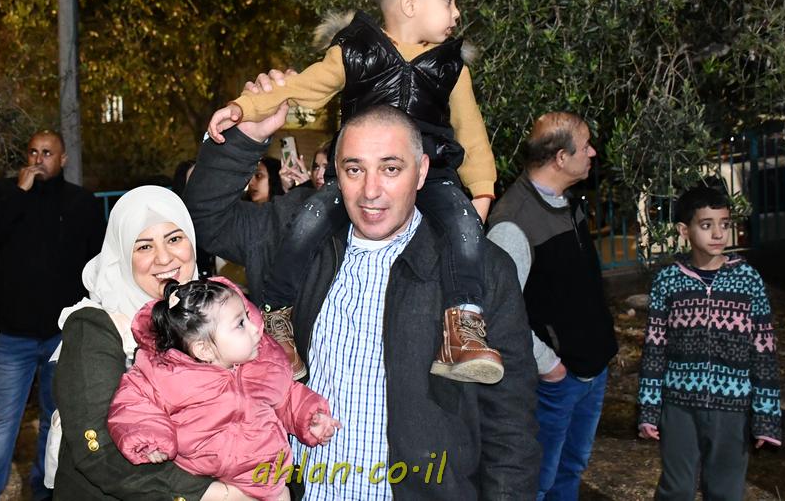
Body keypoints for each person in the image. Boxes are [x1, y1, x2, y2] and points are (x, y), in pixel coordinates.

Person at [186, 103, 540, 499]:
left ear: (422, 170)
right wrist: (244, 139)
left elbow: (510, 428)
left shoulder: (480, 270)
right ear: (337, 173)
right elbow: (207, 221)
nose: (371, 191)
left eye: (391, 169)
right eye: (355, 170)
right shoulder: (294, 239)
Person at [207, 0, 501, 385]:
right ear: (410, 3)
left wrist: (482, 190)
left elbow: (471, 133)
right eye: (449, 0)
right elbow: (301, 87)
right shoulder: (355, 53)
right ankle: (278, 318)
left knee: (464, 227)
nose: (457, 12)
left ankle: (463, 328)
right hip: (357, 175)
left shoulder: (451, 69)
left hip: (434, 173)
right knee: (308, 219)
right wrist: (243, 107)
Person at [47, 186, 256, 500]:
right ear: (122, 255)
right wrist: (211, 494)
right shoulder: (96, 326)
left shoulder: (215, 311)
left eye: (174, 239)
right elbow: (98, 450)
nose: (164, 257)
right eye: (144, 246)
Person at [109, 277, 340, 501]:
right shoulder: (166, 373)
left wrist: (309, 417)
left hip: (270, 481)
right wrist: (149, 438)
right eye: (240, 324)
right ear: (204, 350)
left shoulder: (261, 363)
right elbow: (133, 404)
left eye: (247, 315)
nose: (255, 328)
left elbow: (285, 397)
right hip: (213, 485)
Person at [487, 112, 619, 500]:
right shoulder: (512, 224)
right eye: (585, 146)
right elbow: (497, 312)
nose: (592, 153)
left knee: (571, 470)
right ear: (561, 158)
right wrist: (549, 366)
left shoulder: (567, 204)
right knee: (537, 484)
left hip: (590, 371)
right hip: (556, 383)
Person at [0, 130, 106, 501]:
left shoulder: (81, 202)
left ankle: (43, 491)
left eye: (47, 153)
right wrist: (19, 193)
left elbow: (97, 262)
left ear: (63, 159)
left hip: (61, 335)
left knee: (54, 419)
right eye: (33, 152)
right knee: (3, 421)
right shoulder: (4, 192)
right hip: (14, 335)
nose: (38, 159)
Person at [637, 184, 781, 500]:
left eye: (724, 224)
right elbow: (655, 348)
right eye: (706, 225)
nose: (718, 233)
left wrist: (766, 415)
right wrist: (649, 408)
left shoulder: (748, 280)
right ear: (684, 230)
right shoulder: (668, 281)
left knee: (726, 490)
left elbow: (764, 350)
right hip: (678, 407)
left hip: (733, 409)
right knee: (676, 489)